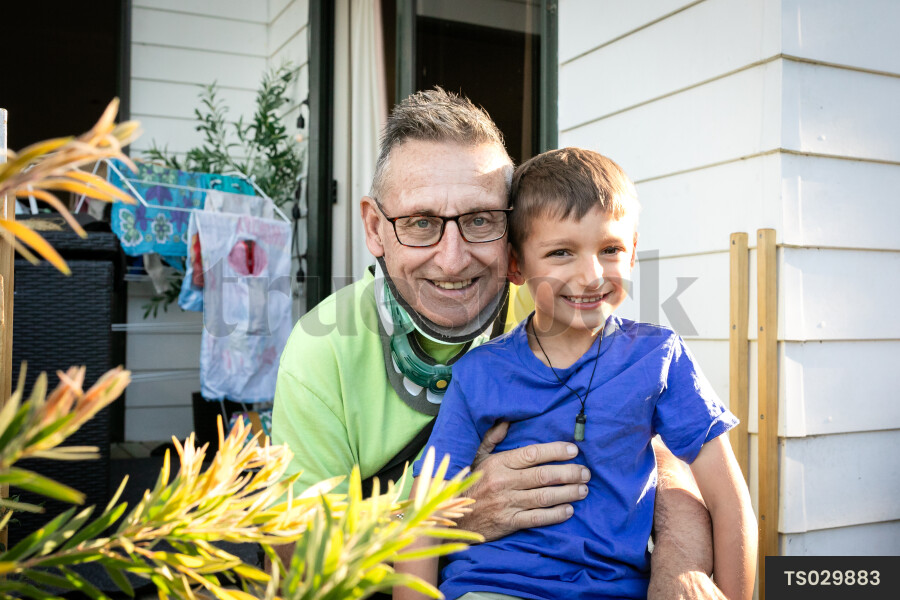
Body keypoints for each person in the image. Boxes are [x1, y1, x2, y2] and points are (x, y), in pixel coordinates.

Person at [271, 88, 728, 597]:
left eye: (479, 220)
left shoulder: (556, 301)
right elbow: (296, 556)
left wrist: (679, 570)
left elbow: (655, 451)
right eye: (421, 223)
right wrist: (449, 513)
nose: (452, 260)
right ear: (376, 228)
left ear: (513, 237)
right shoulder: (320, 351)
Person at [396, 148, 757, 600]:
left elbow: (728, 499)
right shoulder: (479, 374)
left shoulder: (659, 357)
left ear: (633, 251)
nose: (591, 275)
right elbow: (424, 516)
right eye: (561, 252)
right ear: (515, 264)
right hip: (494, 587)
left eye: (610, 250)